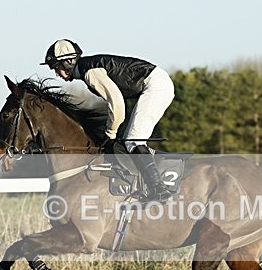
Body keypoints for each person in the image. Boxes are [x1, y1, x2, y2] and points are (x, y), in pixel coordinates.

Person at [41, 39, 174, 203]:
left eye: (57, 67)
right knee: (128, 141)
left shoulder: (89, 72)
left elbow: (117, 104)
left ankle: (158, 189)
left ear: (69, 61)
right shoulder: (87, 69)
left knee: (133, 141)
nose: (57, 73)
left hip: (156, 85)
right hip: (153, 84)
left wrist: (109, 133)